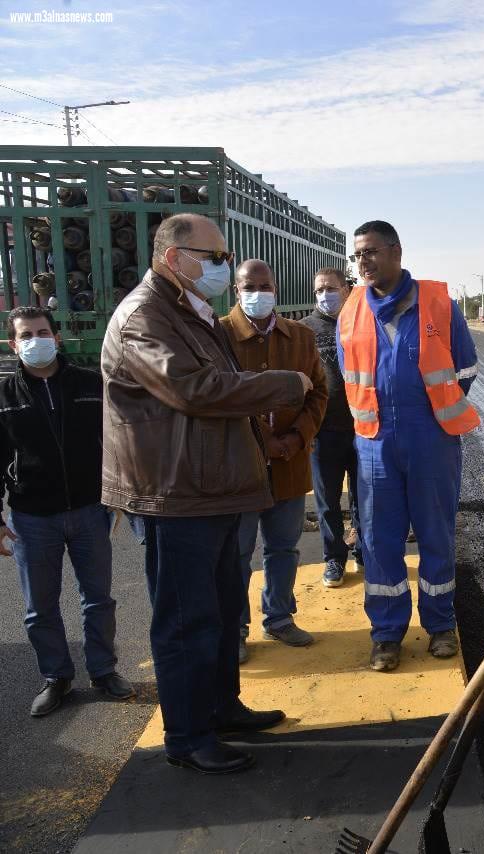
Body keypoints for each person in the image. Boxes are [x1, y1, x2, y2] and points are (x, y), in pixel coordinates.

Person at [101, 213, 313, 775]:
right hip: (176, 494)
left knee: (219, 612)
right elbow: (195, 390)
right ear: (175, 258)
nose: (224, 267)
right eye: (215, 257)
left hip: (213, 489)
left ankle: (222, 707)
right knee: (185, 620)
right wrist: (286, 383)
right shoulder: (145, 317)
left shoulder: (193, 313)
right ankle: (189, 735)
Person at [338, 220, 479, 672]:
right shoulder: (351, 309)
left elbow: (466, 370)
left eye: (372, 252)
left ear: (397, 252)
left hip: (432, 441)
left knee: (436, 534)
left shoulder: (439, 304)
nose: (364, 262)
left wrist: (435, 412)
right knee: (380, 540)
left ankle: (439, 626)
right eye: (358, 255)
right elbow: (349, 374)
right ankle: (386, 635)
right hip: (375, 445)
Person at [0, 307, 132, 717]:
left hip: (91, 511)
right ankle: (56, 677)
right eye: (26, 335)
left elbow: (115, 443)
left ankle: (103, 670)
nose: (35, 340)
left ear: (57, 338)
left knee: (98, 599)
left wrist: (118, 494)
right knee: (40, 606)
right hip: (31, 518)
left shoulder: (90, 385)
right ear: (13, 343)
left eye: (42, 332)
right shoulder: (4, 398)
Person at [222, 260, 328, 662]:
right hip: (239, 470)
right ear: (236, 290)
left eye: (266, 285)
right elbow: (217, 395)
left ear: (277, 290)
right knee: (236, 554)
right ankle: (235, 628)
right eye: (250, 286)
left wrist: (295, 438)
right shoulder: (219, 335)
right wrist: (261, 441)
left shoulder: (299, 336)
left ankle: (279, 617)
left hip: (289, 463)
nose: (259, 293)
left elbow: (319, 392)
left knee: (283, 549)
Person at [301, 268, 363, 589]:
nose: (325, 294)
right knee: (326, 503)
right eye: (319, 290)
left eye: (330, 288)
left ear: (347, 289)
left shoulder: (361, 325)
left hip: (363, 430)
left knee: (363, 498)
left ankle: (363, 550)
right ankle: (334, 557)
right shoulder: (304, 331)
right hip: (324, 434)